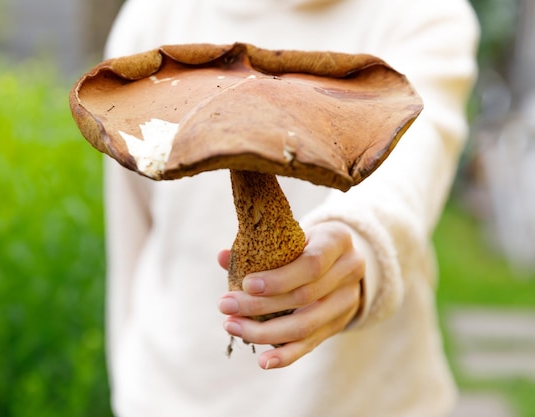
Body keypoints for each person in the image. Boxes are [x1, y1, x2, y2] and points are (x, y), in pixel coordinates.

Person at [101, 0, 479, 416]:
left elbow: (411, 170)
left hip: (361, 399)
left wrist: (356, 247)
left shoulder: (421, 12)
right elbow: (129, 241)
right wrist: (127, 381)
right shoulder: (154, 15)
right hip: (170, 394)